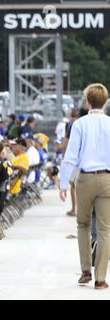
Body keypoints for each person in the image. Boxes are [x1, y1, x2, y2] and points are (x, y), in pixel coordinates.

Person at [59, 83, 110, 290]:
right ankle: (100, 278)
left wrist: (63, 183)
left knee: (83, 225)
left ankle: (85, 271)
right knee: (105, 230)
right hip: (106, 178)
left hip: (85, 178)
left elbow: (70, 156)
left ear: (87, 101)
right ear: (105, 102)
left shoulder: (79, 124)